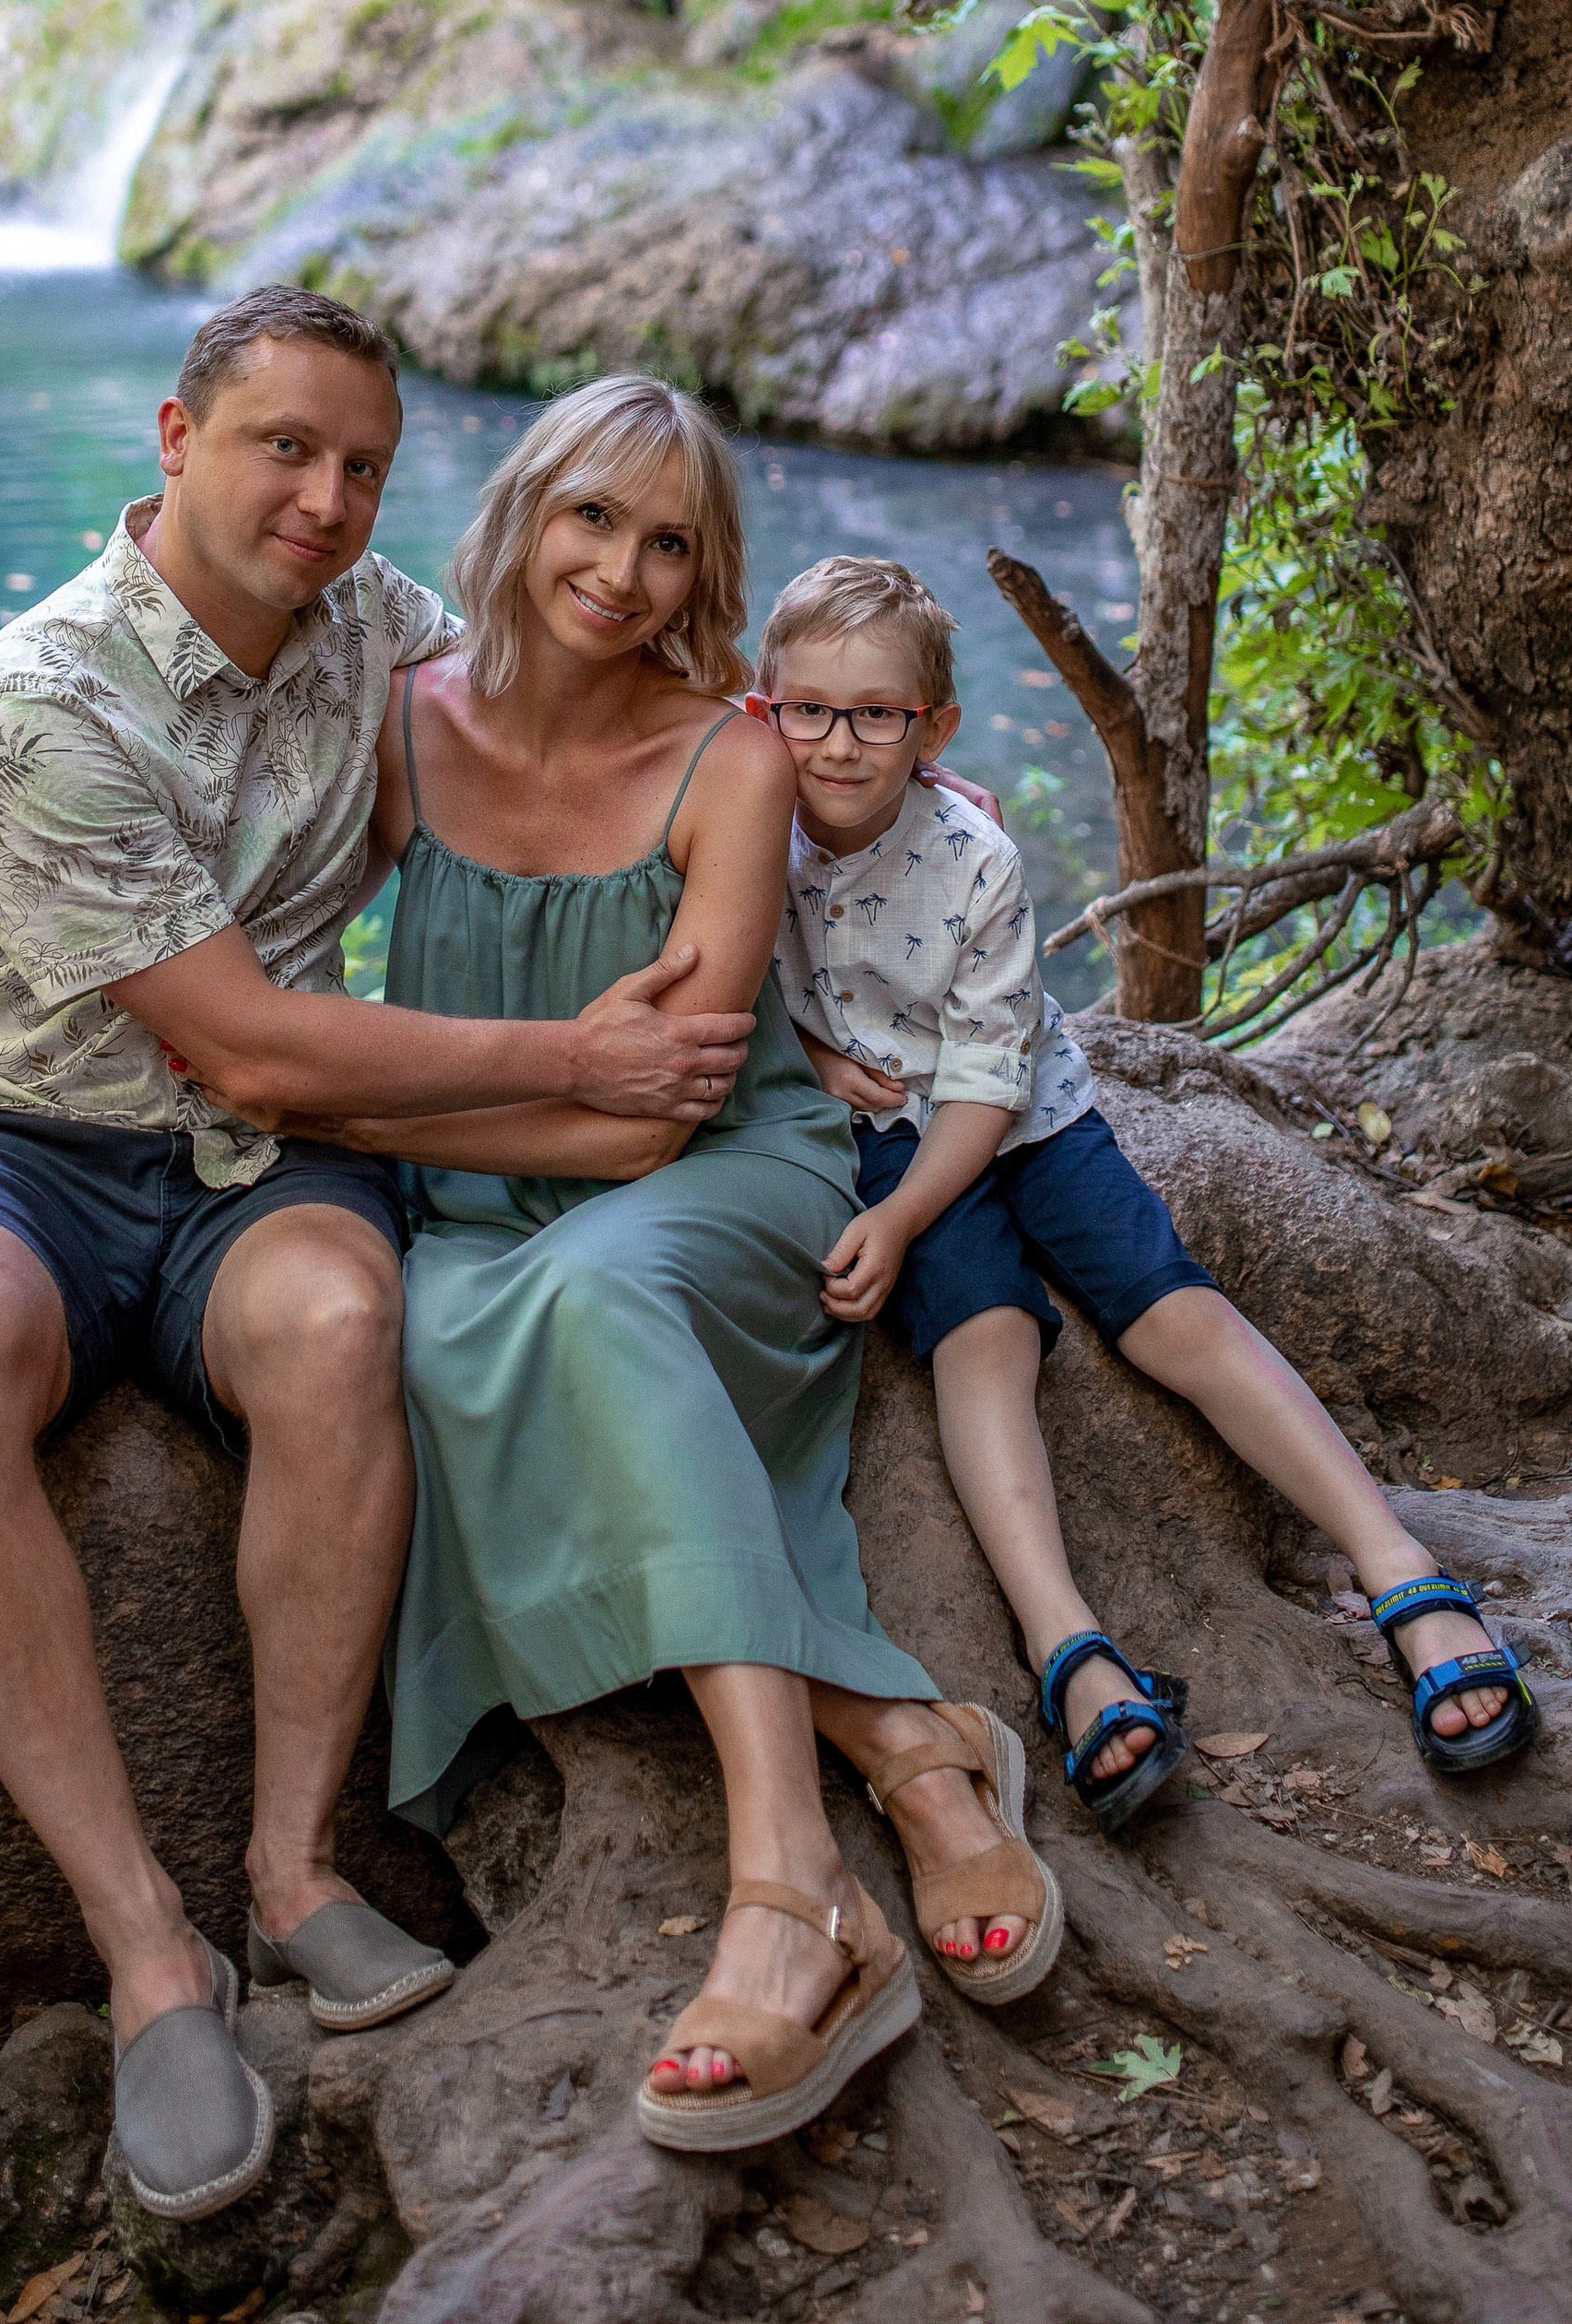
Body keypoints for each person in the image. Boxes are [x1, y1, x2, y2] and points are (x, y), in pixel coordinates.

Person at [0, 289, 761, 2224]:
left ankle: (295, 1876)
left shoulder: (375, 631)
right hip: (24, 1135)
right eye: (285, 448)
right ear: (175, 439)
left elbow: (570, 679)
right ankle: (148, 1953)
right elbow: (249, 1036)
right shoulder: (38, 709)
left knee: (343, 1316)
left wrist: (849, 769)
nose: (327, 499)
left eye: (361, 467)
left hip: (261, 1164)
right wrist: (570, 1059)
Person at [219, 374, 1074, 2155]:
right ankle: (908, 1748)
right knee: (430, 1340)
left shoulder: (732, 756)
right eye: (592, 515)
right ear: (527, 510)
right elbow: (258, 917)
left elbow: (641, 1124)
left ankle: (791, 1895)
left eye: (668, 541)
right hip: (462, 1207)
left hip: (726, 1175)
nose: (617, 568)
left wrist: (379, 1104)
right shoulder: (404, 720)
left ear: (704, 580)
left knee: (599, 1287)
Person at [751, 555, 1536, 1819]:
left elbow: (993, 1079)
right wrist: (820, 1062)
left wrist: (897, 1221)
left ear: (932, 726)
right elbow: (730, 978)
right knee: (984, 1338)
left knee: (1176, 1314)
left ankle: (1400, 1567)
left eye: (878, 713)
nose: (839, 743)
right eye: (810, 709)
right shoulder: (748, 832)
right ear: (765, 706)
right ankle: (1069, 1646)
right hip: (883, 1133)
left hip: (1022, 1115)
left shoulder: (975, 854)